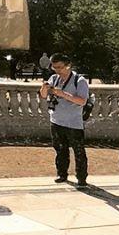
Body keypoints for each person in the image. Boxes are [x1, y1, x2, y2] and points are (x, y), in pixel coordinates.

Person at [40, 53, 90, 188]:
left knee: (78, 151)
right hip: (56, 120)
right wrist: (44, 87)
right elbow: (44, 96)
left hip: (73, 123)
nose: (57, 70)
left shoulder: (79, 81)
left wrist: (62, 94)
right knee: (60, 150)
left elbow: (82, 101)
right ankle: (62, 174)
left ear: (68, 66)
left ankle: (81, 178)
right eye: (54, 67)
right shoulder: (54, 78)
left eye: (60, 67)